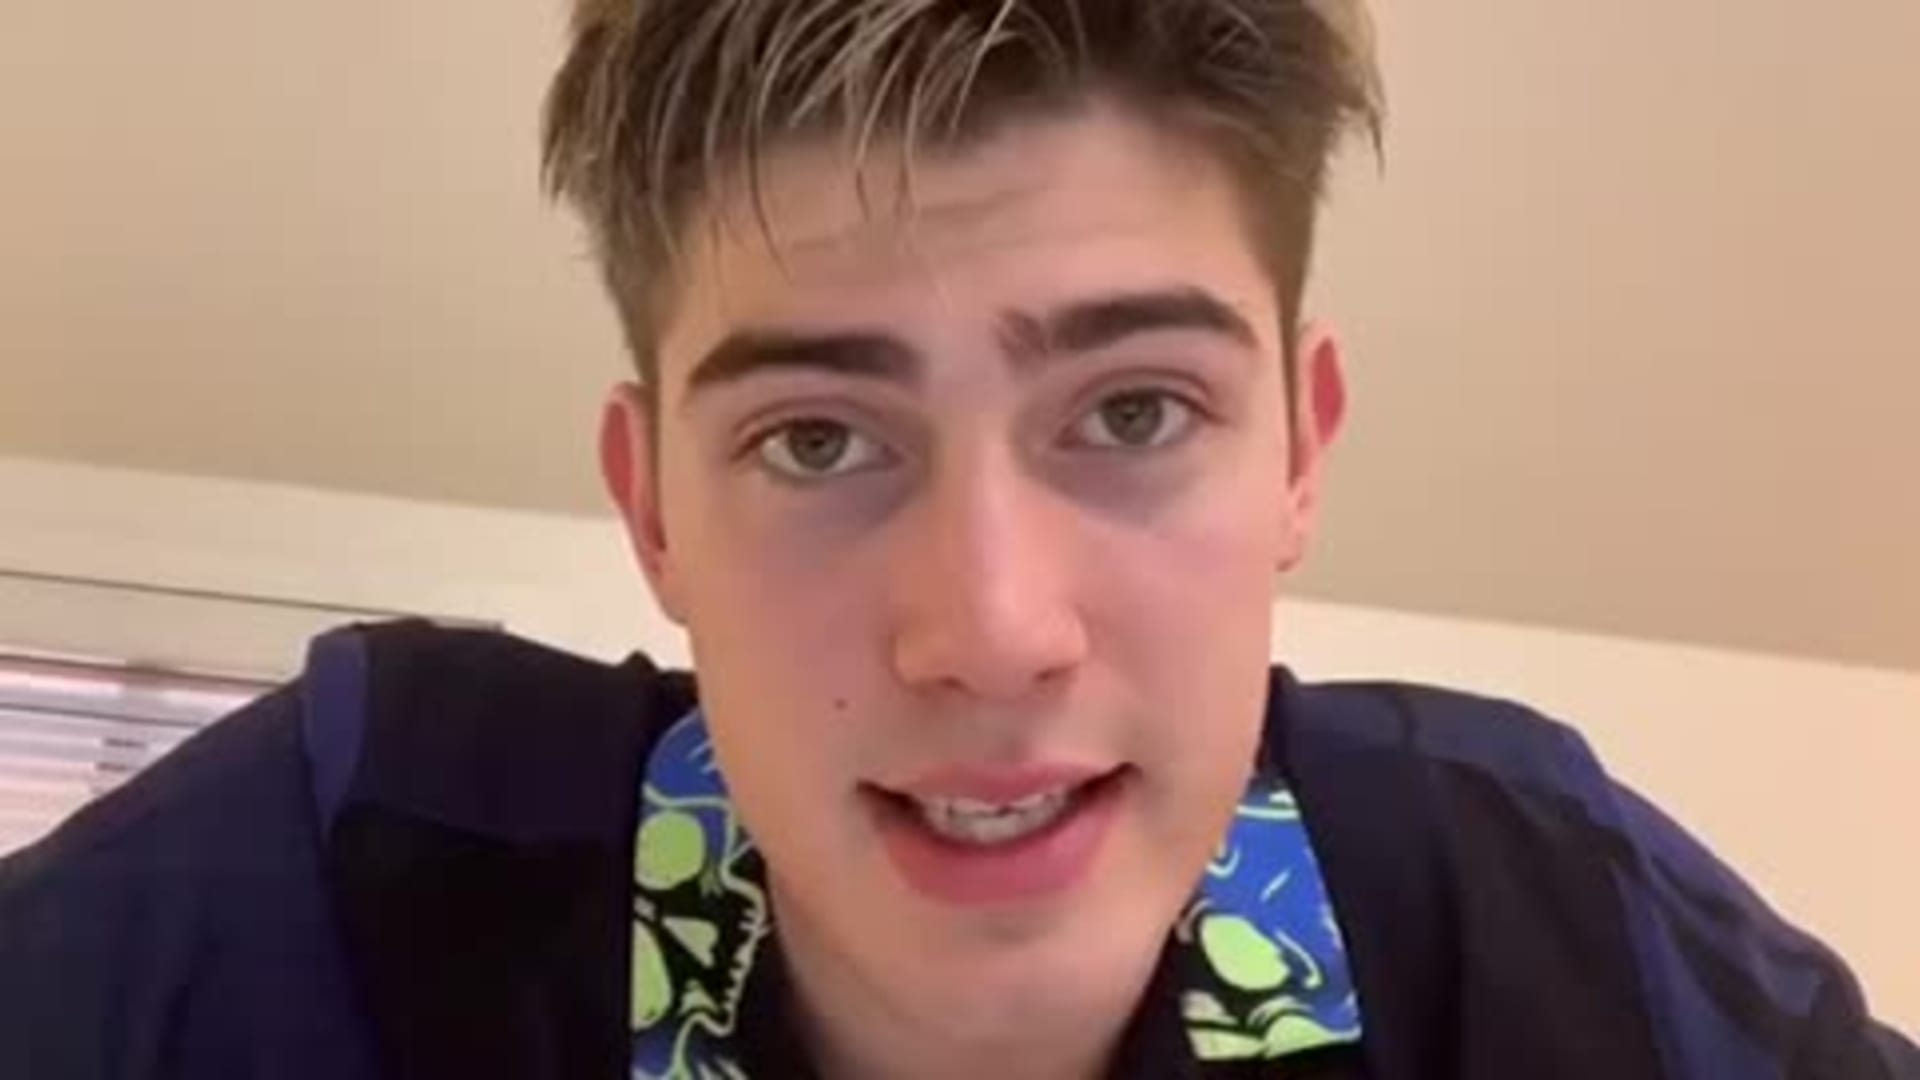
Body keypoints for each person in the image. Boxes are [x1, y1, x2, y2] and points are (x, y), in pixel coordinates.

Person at [0, 1, 1913, 1077]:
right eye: (817, 437)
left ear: (1300, 450)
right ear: (654, 506)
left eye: (1134, 413)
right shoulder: (355, 863)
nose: (991, 631)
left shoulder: (1535, 917)